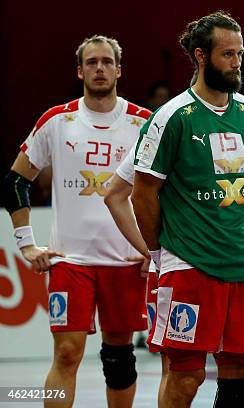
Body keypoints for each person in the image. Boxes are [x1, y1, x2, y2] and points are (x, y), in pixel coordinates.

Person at [130, 12, 244, 408]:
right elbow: (142, 192)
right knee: (186, 375)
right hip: (190, 264)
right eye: (227, 54)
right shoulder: (172, 117)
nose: (237, 62)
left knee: (241, 375)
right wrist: (161, 251)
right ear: (200, 56)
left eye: (240, 53)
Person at [1, 35, 151, 407]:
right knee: (67, 354)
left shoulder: (145, 124)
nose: (99, 68)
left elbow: (163, 190)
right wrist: (26, 243)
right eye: (91, 62)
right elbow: (16, 181)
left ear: (119, 69)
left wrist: (155, 247)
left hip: (126, 261)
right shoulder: (56, 120)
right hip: (71, 262)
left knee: (119, 359)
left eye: (106, 62)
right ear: (79, 70)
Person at [104, 143, 169, 405]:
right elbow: (115, 196)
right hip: (175, 265)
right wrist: (151, 250)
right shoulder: (161, 126)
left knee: (234, 370)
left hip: (232, 262)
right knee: (179, 368)